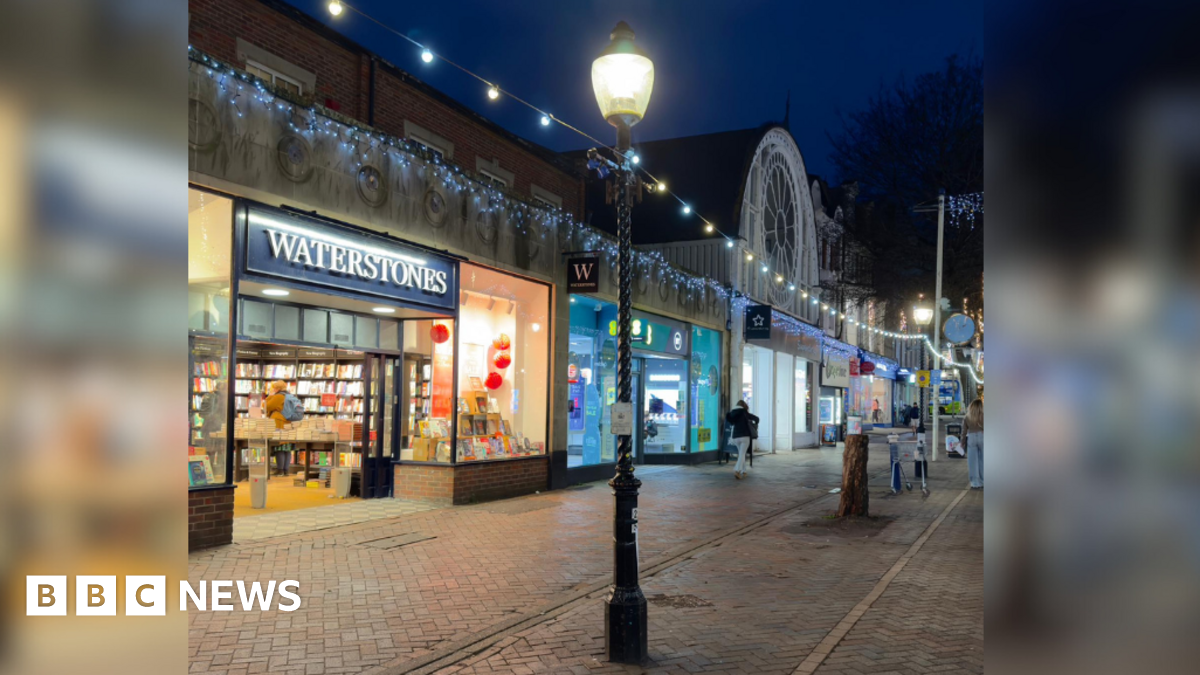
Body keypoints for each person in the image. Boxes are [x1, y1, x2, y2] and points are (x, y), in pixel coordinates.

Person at [263, 380, 292, 476]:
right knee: (287, 448)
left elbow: (267, 406)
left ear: (278, 388)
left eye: (274, 388)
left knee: (279, 446)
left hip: (279, 422)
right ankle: (286, 470)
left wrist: (270, 396)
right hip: (288, 423)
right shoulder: (290, 396)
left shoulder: (279, 396)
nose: (273, 389)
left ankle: (280, 470)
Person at [725, 400, 759, 480]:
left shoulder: (732, 413)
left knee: (741, 454)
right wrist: (755, 424)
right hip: (744, 436)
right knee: (742, 454)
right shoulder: (744, 412)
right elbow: (756, 418)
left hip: (735, 437)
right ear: (744, 406)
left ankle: (744, 471)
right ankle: (737, 470)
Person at [964, 398, 984, 489]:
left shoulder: (967, 416)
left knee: (972, 461)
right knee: (983, 460)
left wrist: (962, 442)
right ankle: (983, 480)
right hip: (983, 436)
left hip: (971, 437)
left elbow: (963, 431)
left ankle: (975, 483)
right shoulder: (984, 415)